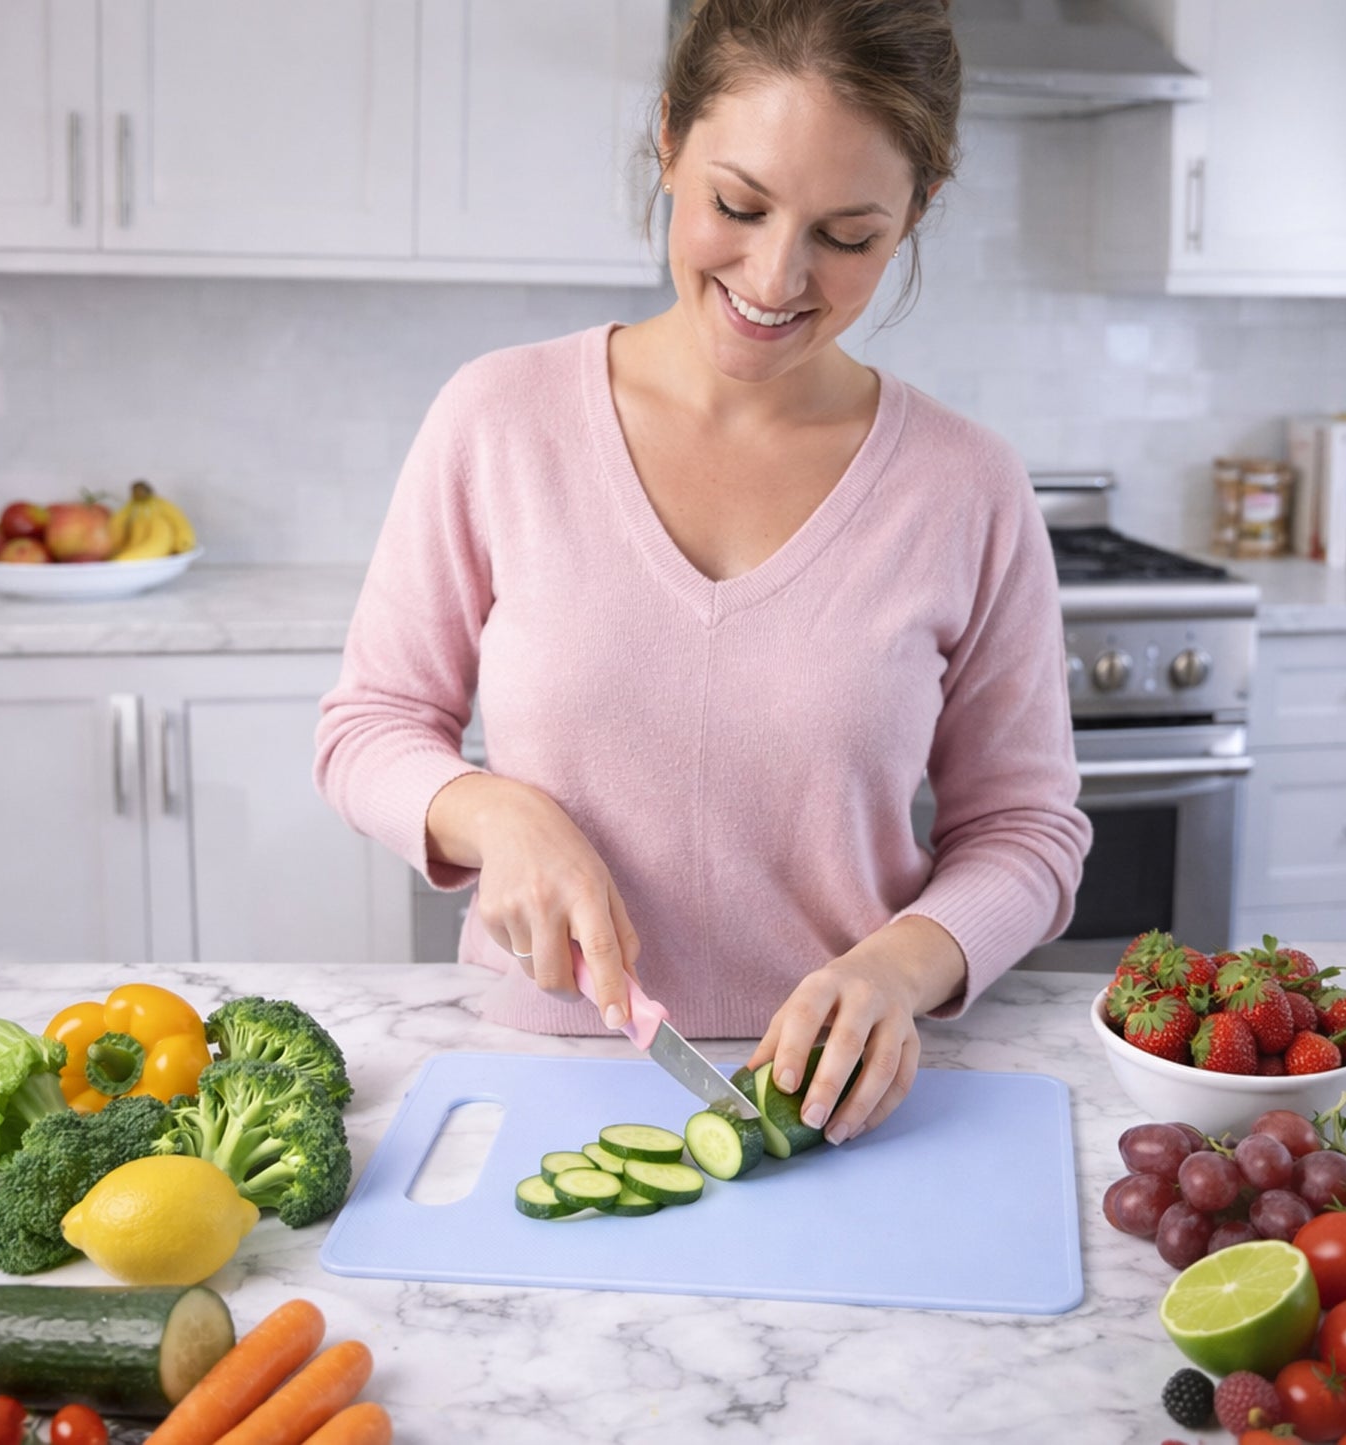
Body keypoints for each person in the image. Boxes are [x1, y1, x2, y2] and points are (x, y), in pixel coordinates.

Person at [314, 0, 1091, 1146]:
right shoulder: (499, 417)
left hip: (838, 1097)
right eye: (738, 204)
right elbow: (367, 728)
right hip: (533, 1071)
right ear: (668, 138)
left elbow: (1027, 827)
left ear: (915, 215)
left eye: (848, 235)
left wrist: (899, 967)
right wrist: (492, 811)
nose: (775, 277)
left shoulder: (967, 483)